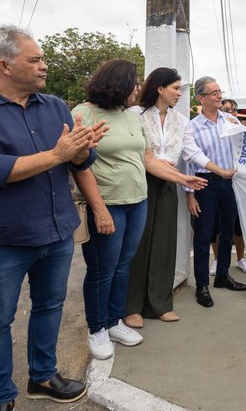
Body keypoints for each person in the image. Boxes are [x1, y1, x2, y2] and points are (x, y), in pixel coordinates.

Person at [0, 25, 105, 411]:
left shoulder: (53, 106)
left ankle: (43, 376)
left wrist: (82, 151)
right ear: (4, 65)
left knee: (50, 306)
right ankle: (0, 396)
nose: (44, 66)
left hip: (56, 231)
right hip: (3, 239)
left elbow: (78, 161)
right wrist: (59, 154)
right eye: (35, 60)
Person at [72, 60, 206, 360]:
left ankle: (114, 320)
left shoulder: (130, 118)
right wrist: (99, 209)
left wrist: (183, 178)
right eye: (133, 82)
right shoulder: (84, 113)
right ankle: (97, 329)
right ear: (117, 83)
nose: (137, 88)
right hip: (109, 205)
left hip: (138, 202)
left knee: (122, 266)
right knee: (101, 270)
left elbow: (148, 160)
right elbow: (79, 165)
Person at [123, 67, 187, 329]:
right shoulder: (134, 114)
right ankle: (132, 307)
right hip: (141, 180)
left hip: (169, 182)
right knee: (138, 244)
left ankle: (160, 303)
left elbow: (189, 151)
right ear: (160, 88)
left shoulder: (181, 120)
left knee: (164, 243)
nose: (179, 94)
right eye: (175, 88)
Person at [184, 77, 245, 308]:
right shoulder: (192, 127)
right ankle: (202, 285)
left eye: (220, 91)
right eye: (214, 93)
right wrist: (189, 193)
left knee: (228, 232)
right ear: (201, 98)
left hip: (229, 182)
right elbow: (189, 160)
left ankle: (222, 276)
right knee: (203, 235)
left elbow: (243, 144)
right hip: (204, 183)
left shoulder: (230, 121)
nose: (219, 96)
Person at [209, 97, 246, 275]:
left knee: (238, 225)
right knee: (216, 225)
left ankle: (241, 258)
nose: (231, 113)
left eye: (234, 110)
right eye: (227, 109)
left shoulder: (240, 129)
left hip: (237, 182)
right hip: (217, 179)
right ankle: (218, 261)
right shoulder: (213, 128)